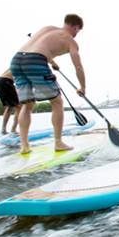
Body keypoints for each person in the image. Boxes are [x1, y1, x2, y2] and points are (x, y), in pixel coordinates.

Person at [11, 14, 85, 154]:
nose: (76, 34)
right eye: (78, 31)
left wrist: (52, 62)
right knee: (57, 102)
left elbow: (38, 48)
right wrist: (82, 87)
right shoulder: (70, 41)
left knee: (27, 105)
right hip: (36, 61)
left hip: (17, 61)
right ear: (75, 27)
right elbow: (78, 67)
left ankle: (24, 146)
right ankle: (58, 143)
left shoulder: (47, 29)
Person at [0, 70, 21, 135]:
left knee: (9, 106)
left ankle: (3, 130)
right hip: (5, 82)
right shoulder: (25, 65)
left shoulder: (16, 63)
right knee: (19, 107)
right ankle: (13, 130)